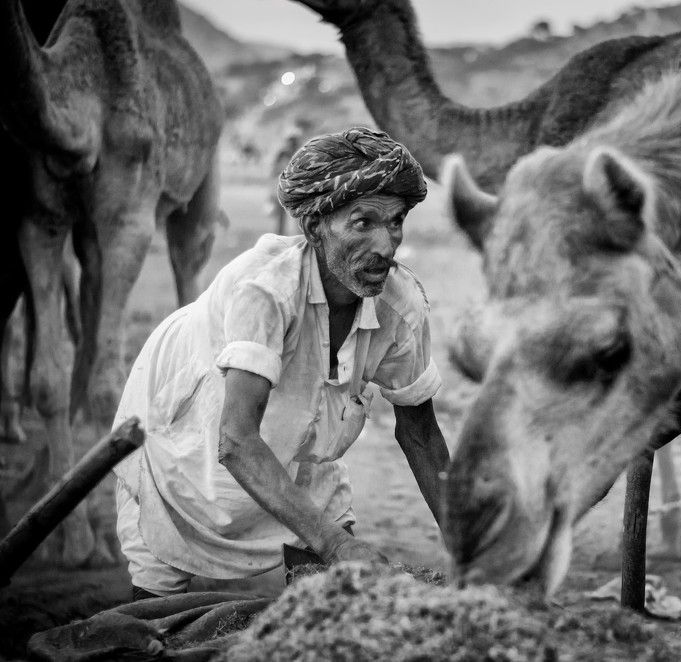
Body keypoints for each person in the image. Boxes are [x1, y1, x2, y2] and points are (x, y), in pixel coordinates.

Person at [113, 127, 451, 600]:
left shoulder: (401, 306)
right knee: (162, 579)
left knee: (329, 588)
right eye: (362, 223)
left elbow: (421, 433)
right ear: (315, 228)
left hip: (298, 435)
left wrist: (474, 551)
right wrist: (335, 544)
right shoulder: (266, 291)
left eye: (395, 221)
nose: (386, 244)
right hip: (191, 417)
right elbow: (234, 440)